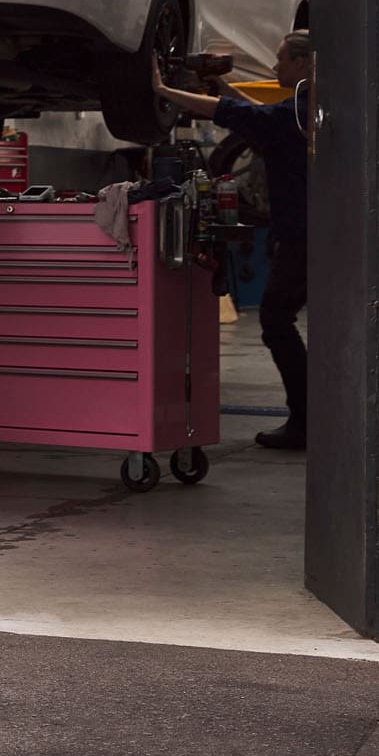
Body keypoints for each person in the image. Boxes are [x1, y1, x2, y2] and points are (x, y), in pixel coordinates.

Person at [150, 32, 313, 448]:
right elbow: (255, 117)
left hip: (302, 237)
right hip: (311, 234)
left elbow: (242, 117)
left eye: (280, 60)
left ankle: (306, 419)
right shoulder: (307, 110)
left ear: (302, 64)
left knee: (277, 320)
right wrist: (220, 86)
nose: (275, 68)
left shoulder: (296, 113)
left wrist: (163, 90)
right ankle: (317, 414)